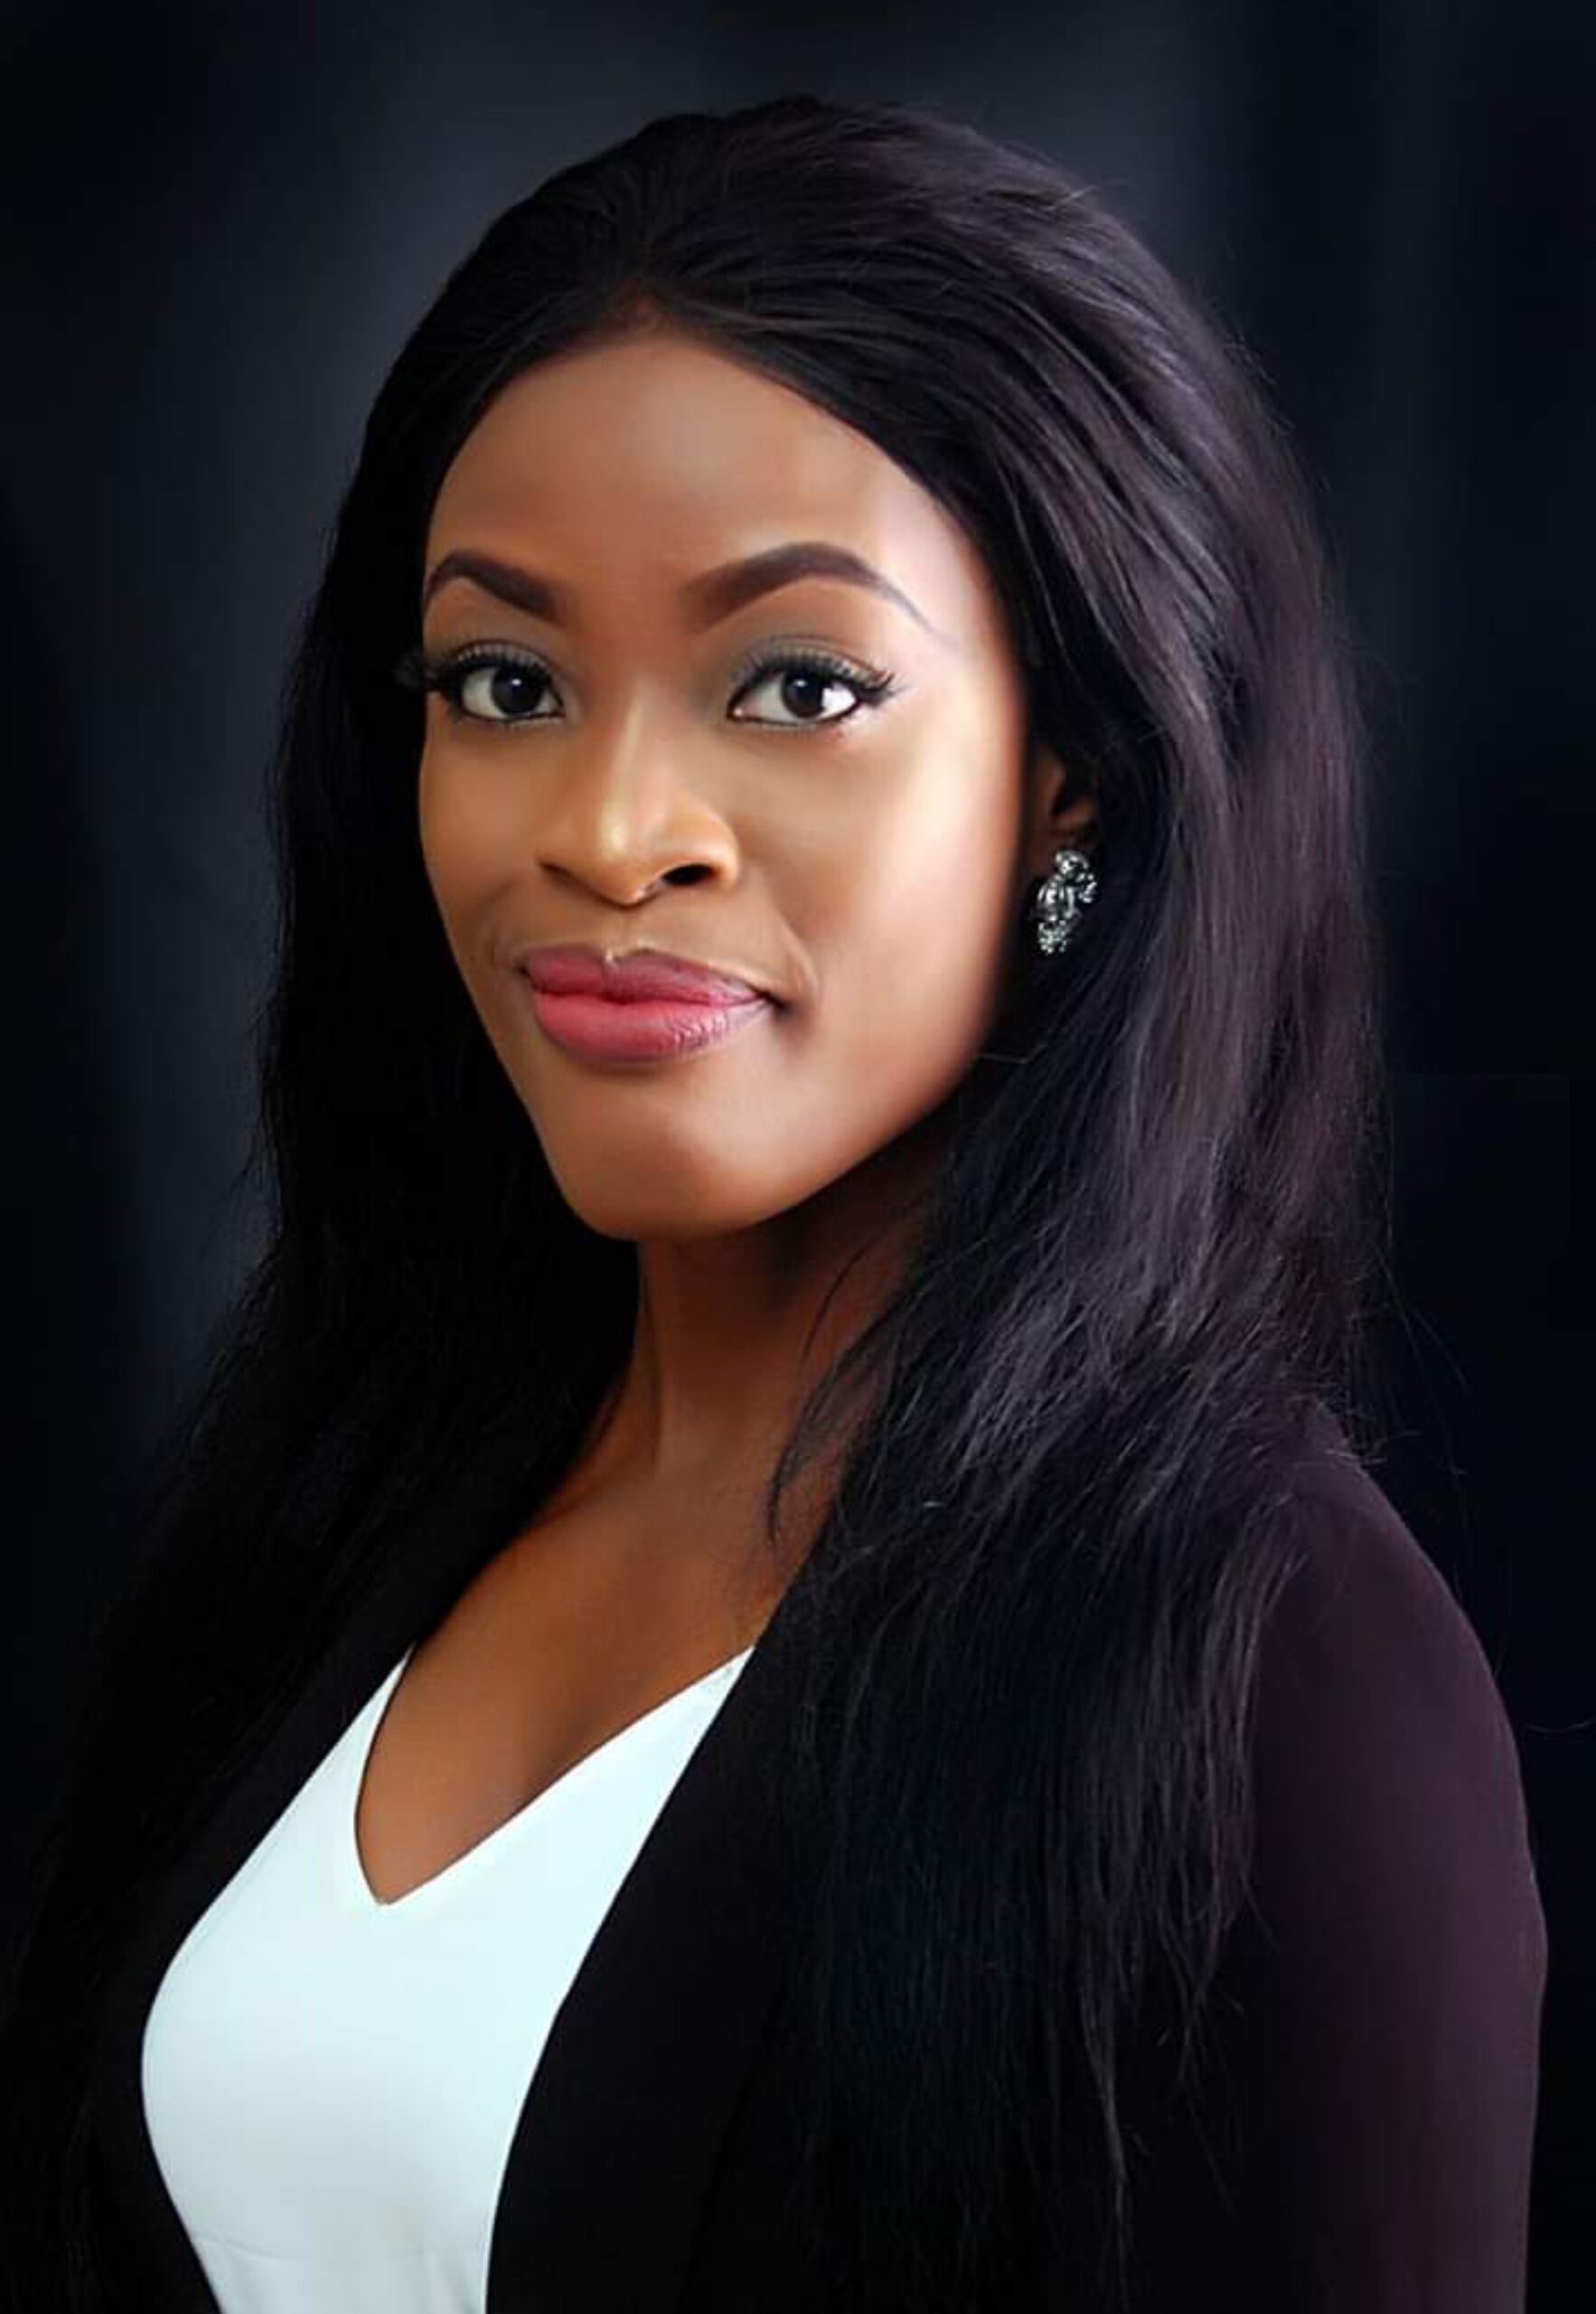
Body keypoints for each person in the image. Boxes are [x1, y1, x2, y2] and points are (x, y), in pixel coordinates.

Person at [0, 92, 1546, 2313]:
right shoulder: (352, 1491)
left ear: (1071, 776)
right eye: (507, 682)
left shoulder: (1270, 1667)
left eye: (796, 684)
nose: (613, 826)